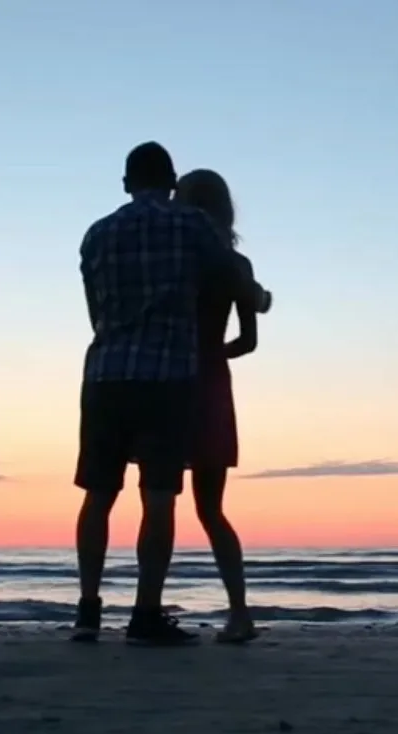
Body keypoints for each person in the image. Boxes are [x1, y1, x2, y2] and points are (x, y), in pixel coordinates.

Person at [72, 141, 269, 646]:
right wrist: (259, 298)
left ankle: (88, 613)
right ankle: (149, 613)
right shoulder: (196, 234)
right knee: (164, 500)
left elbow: (95, 310)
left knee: (99, 494)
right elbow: (246, 306)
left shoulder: (97, 234)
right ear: (171, 180)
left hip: (106, 373)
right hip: (172, 378)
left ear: (125, 182)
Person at [175, 170, 269, 642]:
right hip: (212, 383)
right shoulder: (237, 265)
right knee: (211, 509)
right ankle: (239, 612)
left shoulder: (175, 259)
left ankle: (146, 606)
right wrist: (214, 351)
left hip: (168, 379)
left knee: (158, 498)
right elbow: (248, 341)